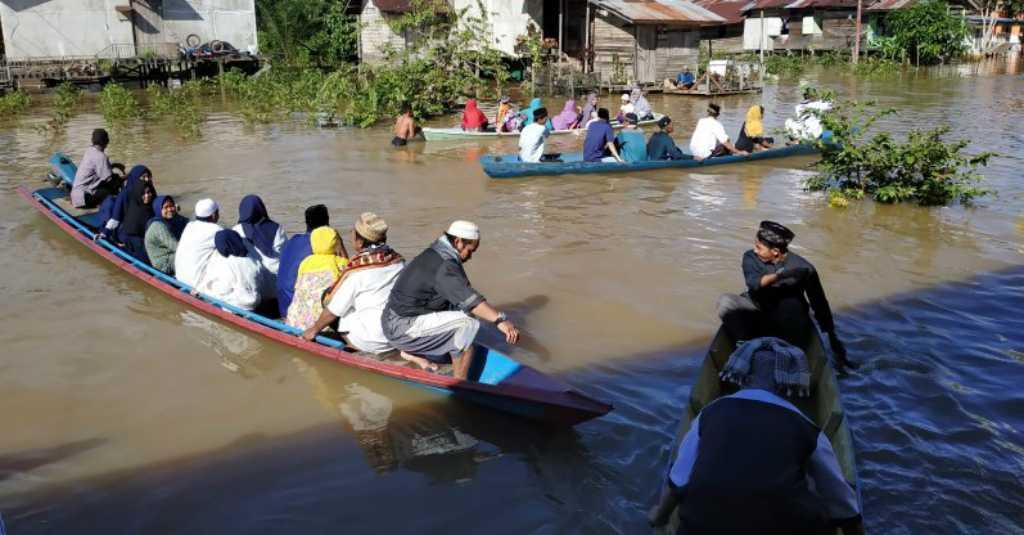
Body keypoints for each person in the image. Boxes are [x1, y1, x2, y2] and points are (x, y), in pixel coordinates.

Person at [648, 341, 864, 535]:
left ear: (744, 377)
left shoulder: (710, 412)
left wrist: (660, 516)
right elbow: (840, 499)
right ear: (788, 385)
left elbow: (678, 480)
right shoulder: (807, 427)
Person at [382, 221, 520, 379]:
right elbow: (470, 301)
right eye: (470, 250)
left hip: (396, 320)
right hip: (400, 328)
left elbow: (464, 293)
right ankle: (459, 384)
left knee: (463, 313)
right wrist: (500, 320)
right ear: (458, 242)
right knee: (468, 324)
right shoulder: (445, 264)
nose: (470, 256)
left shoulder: (437, 252)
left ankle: (420, 352)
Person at [716, 221, 857, 372]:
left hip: (788, 322)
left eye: (759, 247)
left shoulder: (804, 268)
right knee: (726, 302)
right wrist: (781, 276)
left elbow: (819, 303)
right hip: (757, 310)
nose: (755, 250)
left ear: (775, 251)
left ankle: (785, 351)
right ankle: (745, 343)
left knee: (790, 304)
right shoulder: (750, 257)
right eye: (755, 245)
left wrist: (833, 339)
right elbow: (755, 283)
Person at [301, 213, 405, 354]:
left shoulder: (357, 271)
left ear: (360, 242)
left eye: (353, 233)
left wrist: (313, 330)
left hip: (373, 341)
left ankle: (353, 345)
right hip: (398, 335)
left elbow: (333, 309)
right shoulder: (398, 261)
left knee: (329, 297)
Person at [286, 227, 349, 330]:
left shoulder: (305, 262)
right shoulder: (342, 263)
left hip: (294, 322)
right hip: (322, 327)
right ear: (335, 242)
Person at [277, 204, 331, 318]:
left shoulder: (293, 240)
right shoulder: (323, 246)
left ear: (306, 223)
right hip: (297, 309)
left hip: (283, 306)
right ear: (327, 222)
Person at [194, 230, 264, 311]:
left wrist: (199, 290)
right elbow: (259, 280)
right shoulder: (253, 259)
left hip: (237, 304)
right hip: (255, 301)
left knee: (209, 288)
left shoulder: (224, 262)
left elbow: (223, 289)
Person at [233, 194, 287, 299]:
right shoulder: (276, 228)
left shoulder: (236, 230)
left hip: (253, 287)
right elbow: (285, 254)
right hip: (276, 284)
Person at [175, 198, 223, 287]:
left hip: (179, 277)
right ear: (213, 215)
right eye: (217, 212)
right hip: (194, 283)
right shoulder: (216, 229)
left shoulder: (189, 226)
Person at [71, 128, 124, 208]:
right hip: (84, 199)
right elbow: (110, 180)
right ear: (106, 142)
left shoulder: (90, 150)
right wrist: (130, 175)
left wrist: (114, 165)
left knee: (112, 181)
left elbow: (97, 169)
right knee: (113, 187)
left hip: (76, 196)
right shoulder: (101, 156)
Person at [99, 165, 154, 241]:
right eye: (143, 177)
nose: (147, 179)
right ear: (135, 178)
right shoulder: (125, 194)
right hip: (127, 230)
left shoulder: (150, 191)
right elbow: (115, 219)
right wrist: (105, 233)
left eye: (148, 176)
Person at [144, 195, 188, 275]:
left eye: (171, 206)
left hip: (171, 255)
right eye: (166, 207)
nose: (170, 209)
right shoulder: (158, 226)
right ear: (159, 209)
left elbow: (189, 224)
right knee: (190, 256)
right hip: (163, 264)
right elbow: (175, 247)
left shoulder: (171, 219)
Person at [116, 179, 156, 263]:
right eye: (143, 194)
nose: (147, 196)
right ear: (138, 194)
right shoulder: (135, 213)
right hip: (135, 242)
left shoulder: (153, 207)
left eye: (149, 192)